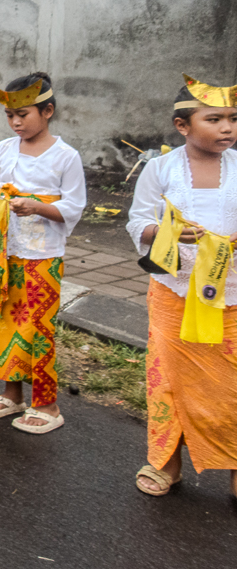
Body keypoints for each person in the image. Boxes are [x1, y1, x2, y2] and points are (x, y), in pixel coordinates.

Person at [127, 76, 237, 499]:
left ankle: (232, 462)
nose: (226, 128)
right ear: (182, 126)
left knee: (228, 385)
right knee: (168, 380)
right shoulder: (160, 169)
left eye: (231, 119)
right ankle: (165, 463)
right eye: (214, 119)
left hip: (229, 298)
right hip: (173, 293)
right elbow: (138, 221)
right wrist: (167, 233)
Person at [0, 73, 85, 434]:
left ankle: (46, 404)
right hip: (5, 254)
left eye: (24, 114)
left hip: (42, 256)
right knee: (2, 321)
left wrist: (36, 207)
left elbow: (74, 206)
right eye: (9, 115)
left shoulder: (65, 156)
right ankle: (11, 393)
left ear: (47, 111)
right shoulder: (2, 151)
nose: (16, 122)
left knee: (37, 328)